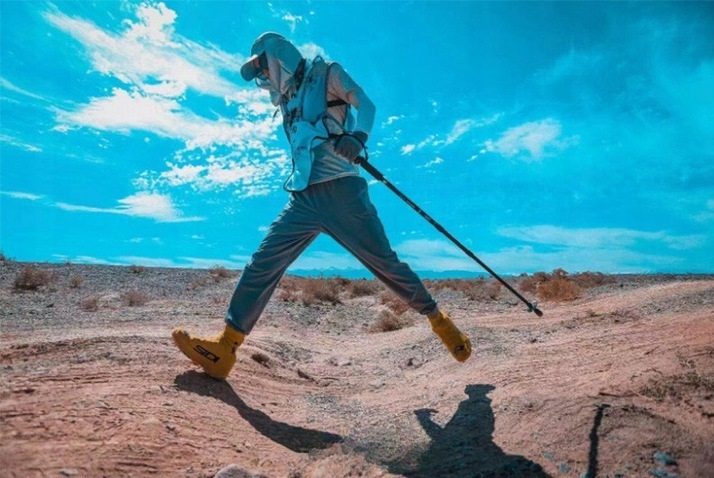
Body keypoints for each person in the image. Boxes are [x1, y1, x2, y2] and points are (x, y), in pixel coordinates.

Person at [172, 32, 471, 380]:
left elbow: (366, 105)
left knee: (385, 264)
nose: (263, 76)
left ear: (277, 57)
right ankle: (225, 348)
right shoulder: (287, 102)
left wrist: (357, 137)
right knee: (263, 263)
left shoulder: (327, 74)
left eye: (263, 67)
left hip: (343, 193)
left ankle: (440, 321)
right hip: (303, 198)